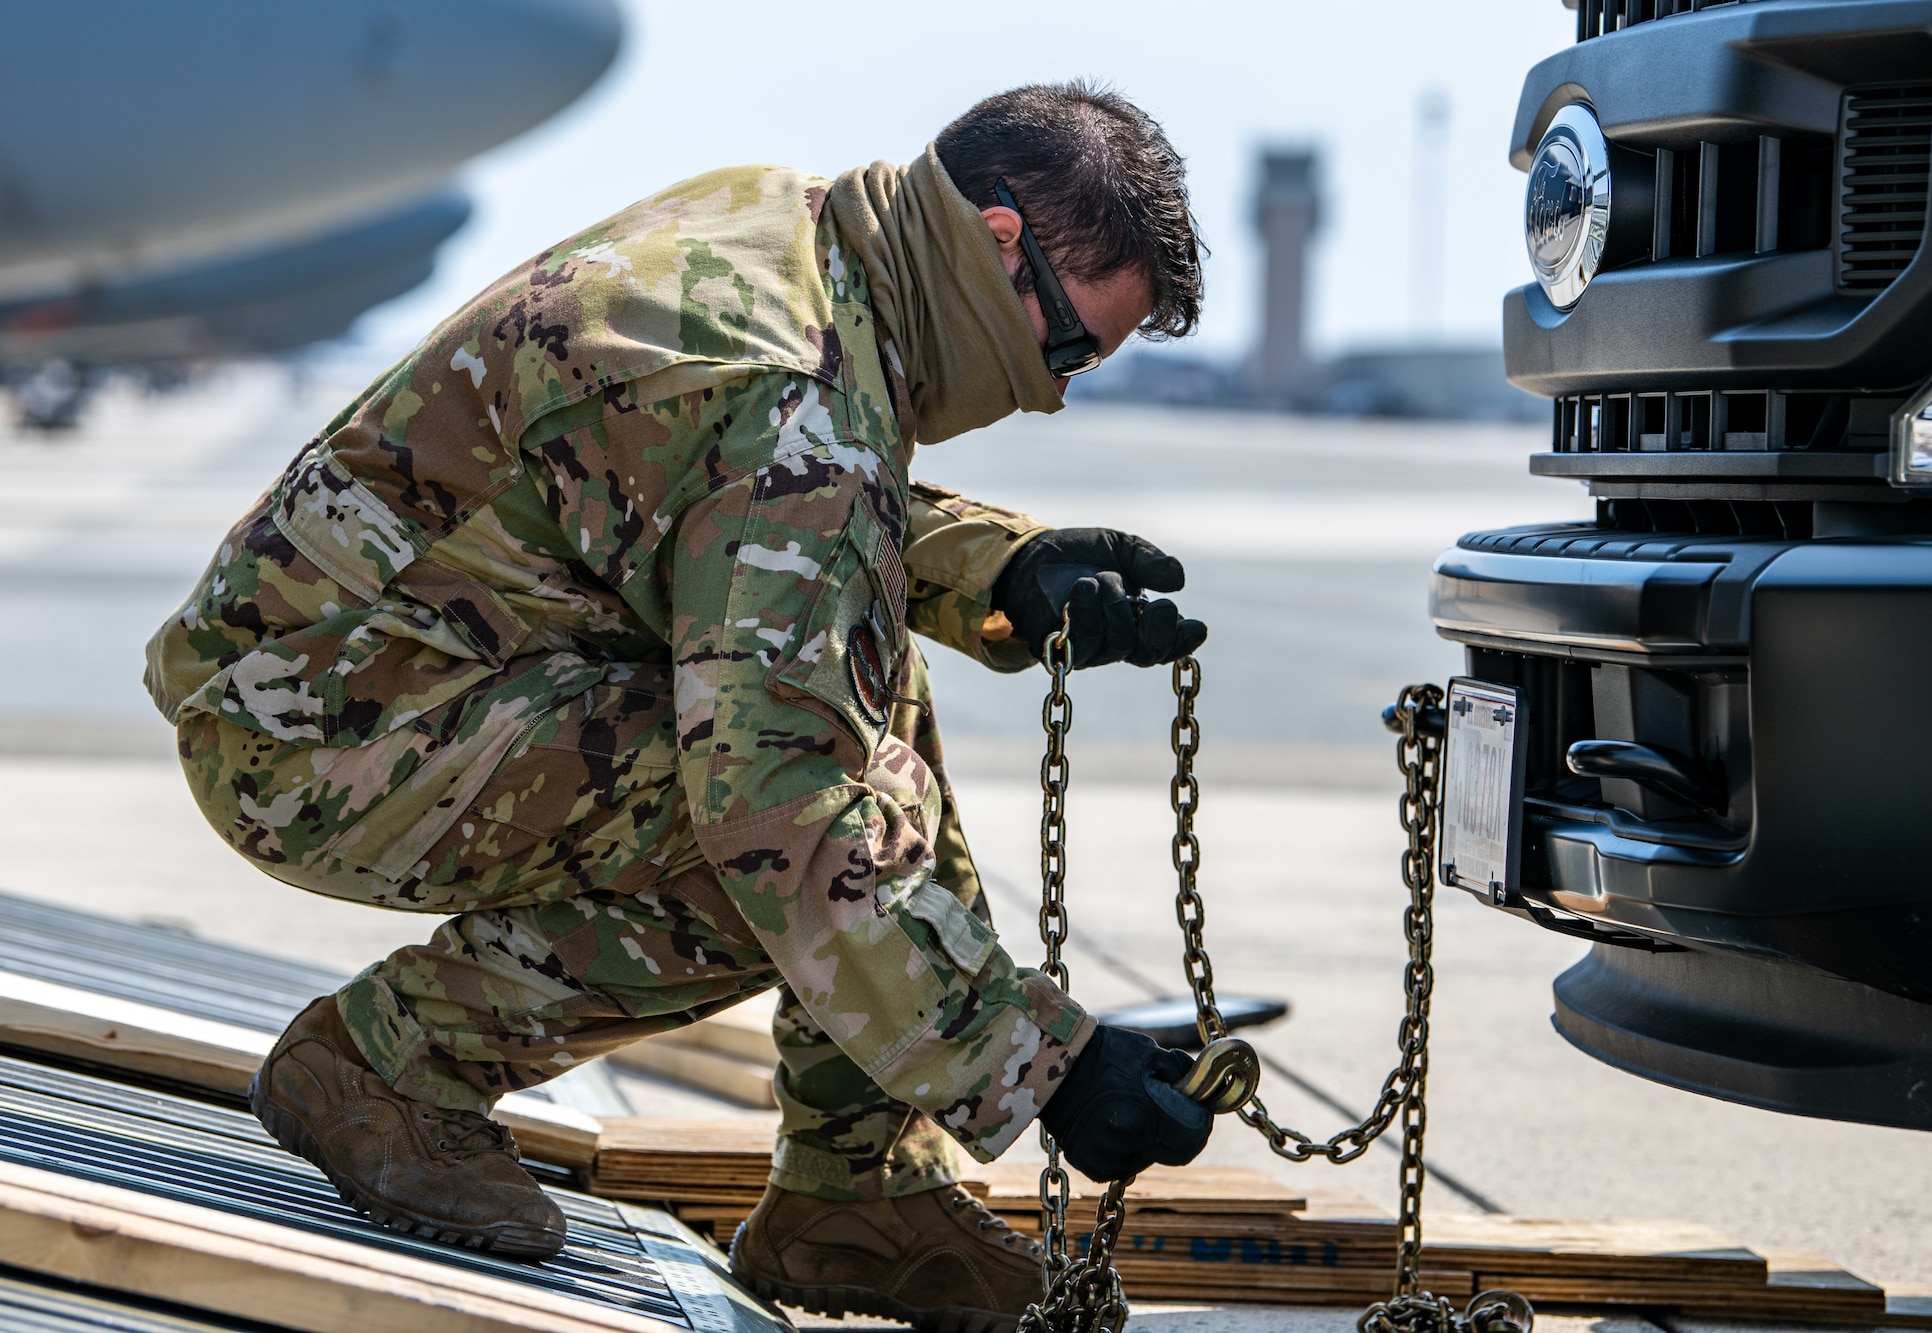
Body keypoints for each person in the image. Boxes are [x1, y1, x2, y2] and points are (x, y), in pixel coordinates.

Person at [145, 80, 1214, 1330]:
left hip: (367, 665)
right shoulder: (785, 385)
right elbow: (777, 798)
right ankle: (391, 1063)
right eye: (1069, 350)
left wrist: (997, 568)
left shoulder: (796, 232)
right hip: (311, 734)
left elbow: (742, 502)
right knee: (774, 838)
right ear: (995, 242)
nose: (1052, 394)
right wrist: (1049, 1065)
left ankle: (854, 1191)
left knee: (848, 681)